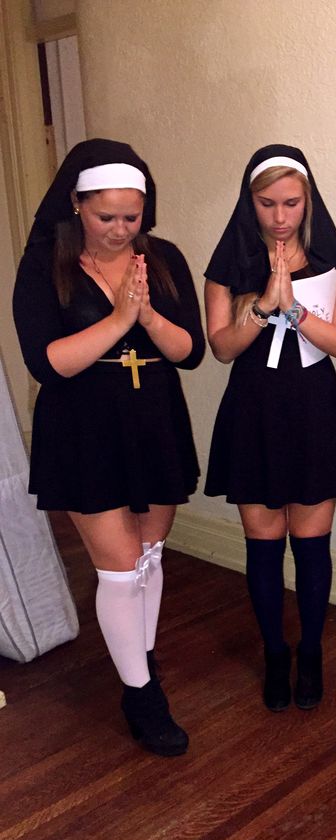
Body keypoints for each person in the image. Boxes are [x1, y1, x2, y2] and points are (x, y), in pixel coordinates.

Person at [13, 138, 204, 756]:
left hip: (155, 420)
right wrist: (118, 320)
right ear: (75, 205)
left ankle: (137, 664)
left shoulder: (164, 258)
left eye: (133, 216)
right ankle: (144, 697)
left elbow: (190, 352)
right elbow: (47, 363)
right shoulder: (45, 264)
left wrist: (146, 318)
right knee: (120, 569)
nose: (122, 230)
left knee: (149, 554)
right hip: (83, 426)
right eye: (106, 218)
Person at [204, 145, 336, 712]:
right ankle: (275, 652)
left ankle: (311, 652)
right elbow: (221, 348)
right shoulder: (229, 266)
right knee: (265, 546)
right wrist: (264, 305)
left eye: (291, 203)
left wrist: (297, 312)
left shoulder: (330, 260)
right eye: (267, 203)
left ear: (308, 200)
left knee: (312, 546)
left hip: (315, 408)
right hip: (253, 412)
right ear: (250, 203)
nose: (280, 216)